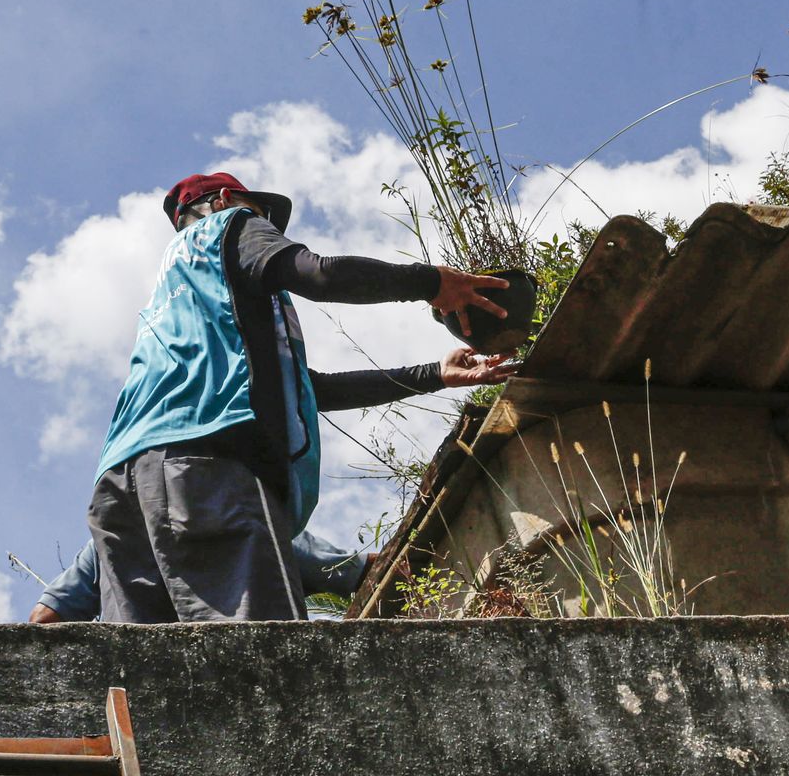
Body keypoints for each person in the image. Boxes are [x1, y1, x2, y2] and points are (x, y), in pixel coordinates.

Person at [89, 171, 515, 623]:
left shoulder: (175, 296)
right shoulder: (228, 226)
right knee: (263, 657)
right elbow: (321, 274)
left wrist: (433, 374)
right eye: (260, 215)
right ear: (226, 199)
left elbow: (308, 390)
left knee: (145, 675)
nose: (267, 231)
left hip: (118, 491)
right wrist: (431, 284)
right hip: (203, 473)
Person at [30, 531, 372, 622]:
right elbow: (352, 572)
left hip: (136, 701)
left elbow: (45, 618)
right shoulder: (246, 510)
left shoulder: (110, 540)